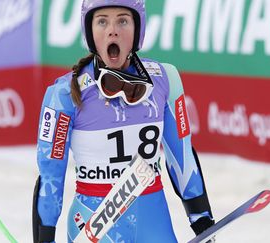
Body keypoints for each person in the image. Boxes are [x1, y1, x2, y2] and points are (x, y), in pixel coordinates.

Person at [32, 0, 215, 242]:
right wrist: (44, 238)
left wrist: (201, 220)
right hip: (94, 225)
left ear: (137, 29)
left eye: (123, 20)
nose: (112, 30)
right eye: (102, 21)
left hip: (154, 223)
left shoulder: (165, 79)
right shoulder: (65, 93)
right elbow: (50, 177)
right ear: (90, 32)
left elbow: (182, 157)